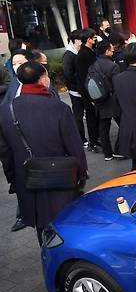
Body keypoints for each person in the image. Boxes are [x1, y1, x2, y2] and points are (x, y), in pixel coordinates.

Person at [0, 61, 87, 244]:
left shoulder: (5, 111)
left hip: (27, 177)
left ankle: (47, 260)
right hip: (60, 176)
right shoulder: (59, 108)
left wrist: (14, 179)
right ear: (42, 79)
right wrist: (80, 173)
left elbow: (5, 152)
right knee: (64, 225)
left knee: (42, 227)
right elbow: (75, 147)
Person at [88, 40, 122, 161]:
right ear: (107, 51)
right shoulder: (113, 66)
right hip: (113, 100)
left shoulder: (93, 65)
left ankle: (107, 154)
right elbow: (117, 85)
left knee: (104, 129)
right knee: (123, 124)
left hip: (100, 100)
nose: (113, 50)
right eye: (112, 49)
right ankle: (119, 150)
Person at [75, 28, 100, 152]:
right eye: (94, 38)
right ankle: (93, 142)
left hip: (91, 89)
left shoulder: (88, 52)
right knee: (91, 117)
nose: (96, 40)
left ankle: (96, 139)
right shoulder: (83, 55)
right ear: (88, 39)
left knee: (95, 117)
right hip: (88, 91)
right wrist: (89, 95)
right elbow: (84, 76)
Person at [62, 30, 86, 145]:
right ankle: (81, 139)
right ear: (75, 41)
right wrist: (78, 85)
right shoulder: (68, 55)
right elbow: (68, 74)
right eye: (81, 39)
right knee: (78, 115)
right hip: (75, 90)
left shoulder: (79, 51)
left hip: (82, 88)